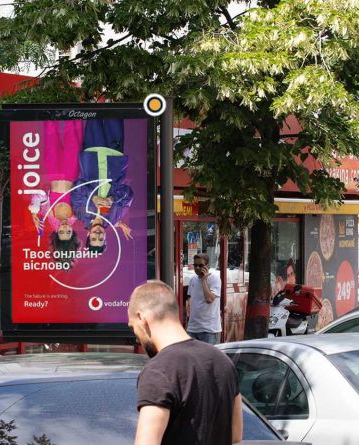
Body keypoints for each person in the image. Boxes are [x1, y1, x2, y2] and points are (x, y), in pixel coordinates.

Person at [128, 280, 242, 445]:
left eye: (133, 328)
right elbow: (236, 435)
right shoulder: (223, 361)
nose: (137, 338)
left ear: (141, 318)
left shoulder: (158, 370)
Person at [70, 119, 134, 253]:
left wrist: (93, 197)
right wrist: (112, 199)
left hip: (92, 154)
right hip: (115, 157)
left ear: (88, 235)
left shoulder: (81, 214)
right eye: (101, 239)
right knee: (114, 115)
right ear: (105, 238)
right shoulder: (115, 217)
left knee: (94, 114)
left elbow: (77, 187)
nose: (98, 235)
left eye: (94, 238)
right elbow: (128, 194)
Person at [29, 120, 83, 266]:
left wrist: (34, 211)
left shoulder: (49, 215)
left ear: (56, 233)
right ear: (73, 233)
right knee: (72, 132)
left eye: (61, 232)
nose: (65, 228)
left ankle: (49, 108)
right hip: (71, 171)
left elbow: (38, 196)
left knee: (50, 133)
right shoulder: (76, 214)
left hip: (53, 171)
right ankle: (73, 109)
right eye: (68, 232)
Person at [187, 253, 222, 344]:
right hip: (193, 328)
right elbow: (190, 300)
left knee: (209, 354)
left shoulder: (214, 279)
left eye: (201, 265)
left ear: (207, 266)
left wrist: (204, 280)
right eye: (195, 265)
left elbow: (209, 299)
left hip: (209, 329)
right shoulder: (193, 280)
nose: (197, 268)